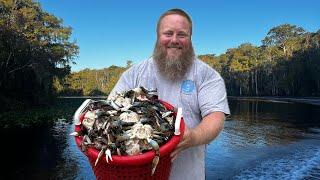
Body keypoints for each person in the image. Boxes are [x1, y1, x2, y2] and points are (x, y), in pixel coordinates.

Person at [108, 8, 230, 180]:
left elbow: (216, 117)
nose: (174, 40)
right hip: (137, 174)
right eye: (168, 33)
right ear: (158, 37)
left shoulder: (207, 75)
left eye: (182, 34)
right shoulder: (133, 74)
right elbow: (109, 111)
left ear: (190, 38)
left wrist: (194, 136)